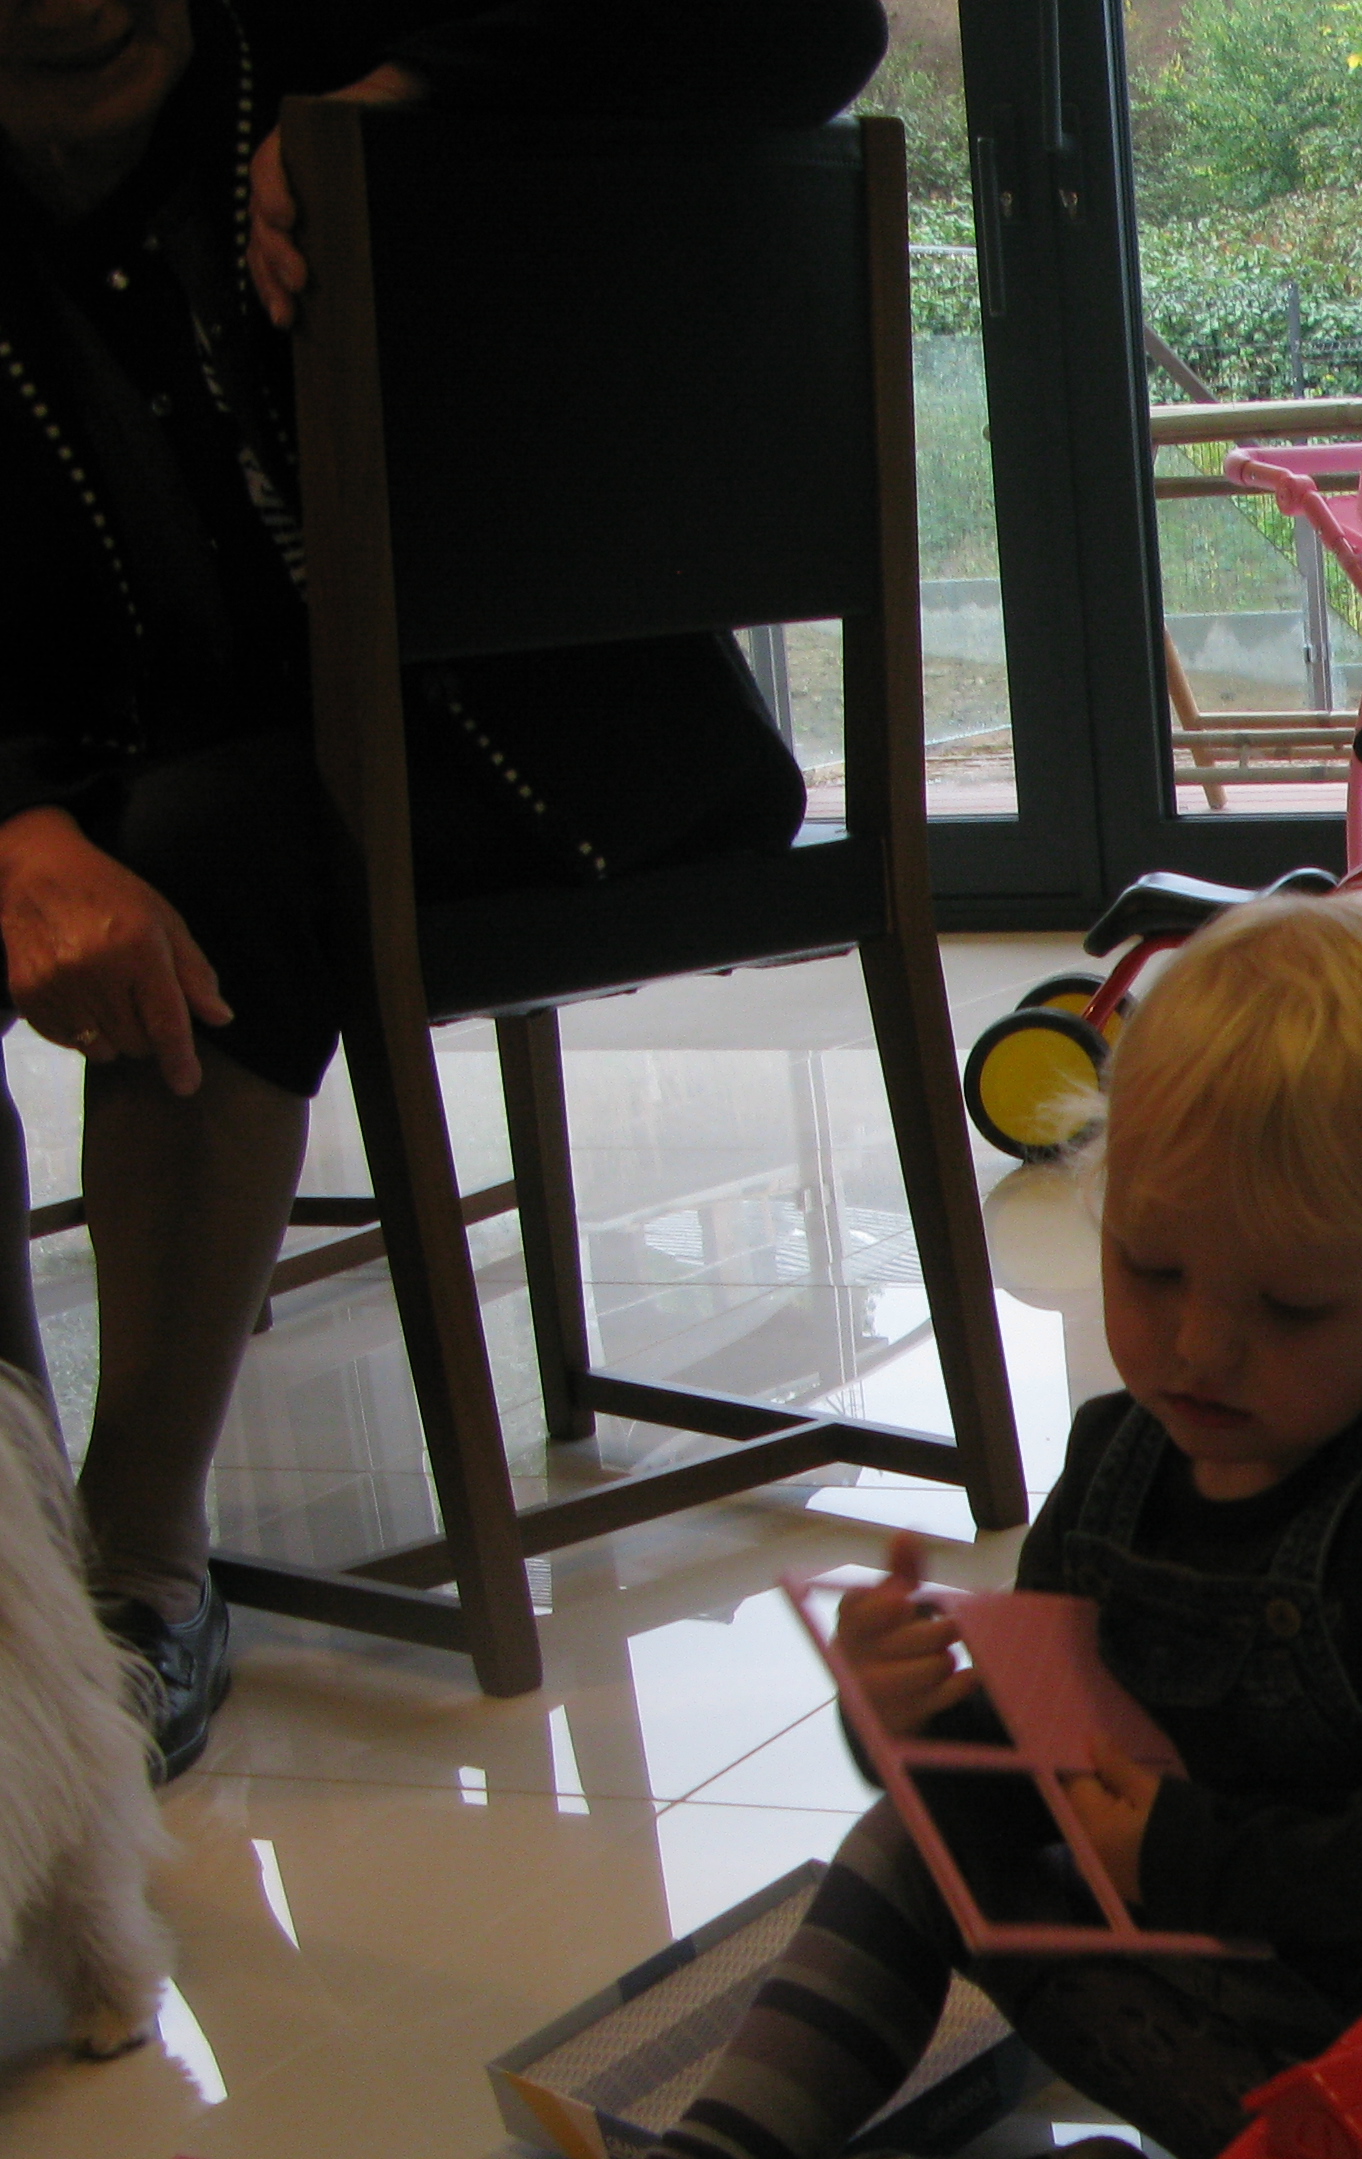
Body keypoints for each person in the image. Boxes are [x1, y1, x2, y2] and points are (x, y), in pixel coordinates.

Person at [379, 896, 1362, 2159]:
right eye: (1151, 1269)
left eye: (1289, 1308)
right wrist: (912, 1724)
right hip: (1179, 2018)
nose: (1199, 1348)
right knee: (914, 1841)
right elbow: (1032, 1766)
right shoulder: (1120, 1458)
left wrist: (1197, 1858)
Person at [0, 0, 884, 1777]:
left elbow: (811, 24)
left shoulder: (313, 25)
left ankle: (135, 1566)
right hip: (101, 760)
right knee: (190, 827)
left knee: (211, 858)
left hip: (518, 741)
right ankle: (14, 1563)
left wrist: (407, 91)